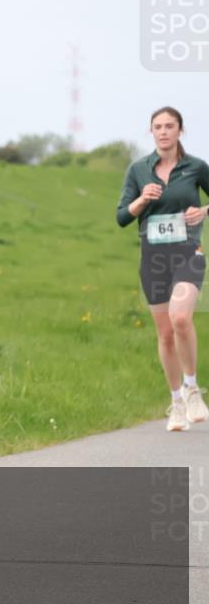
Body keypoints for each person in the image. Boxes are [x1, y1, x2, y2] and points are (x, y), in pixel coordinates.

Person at [116, 106, 209, 432]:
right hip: (153, 259)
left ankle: (193, 387)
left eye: (170, 126)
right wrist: (142, 200)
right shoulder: (138, 170)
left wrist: (205, 210)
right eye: (158, 126)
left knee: (181, 317)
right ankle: (176, 402)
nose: (164, 131)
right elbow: (122, 217)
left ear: (180, 130)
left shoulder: (196, 167)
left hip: (188, 253)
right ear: (151, 131)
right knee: (165, 334)